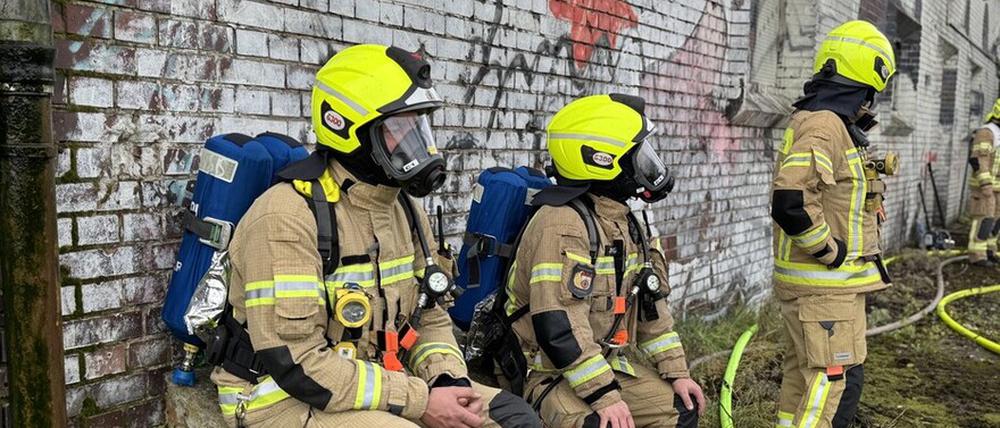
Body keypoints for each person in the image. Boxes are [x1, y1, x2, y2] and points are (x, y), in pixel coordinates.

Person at [210, 44, 539, 428]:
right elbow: (298, 362)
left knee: (514, 418)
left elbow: (429, 315)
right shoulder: (286, 216)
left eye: (420, 127)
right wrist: (420, 402)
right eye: (400, 129)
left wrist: (448, 380)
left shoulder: (403, 208)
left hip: (375, 377)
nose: (416, 145)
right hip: (280, 396)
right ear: (346, 127)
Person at [505, 93, 704, 428]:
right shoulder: (561, 223)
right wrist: (605, 397)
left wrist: (677, 372)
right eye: (636, 155)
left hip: (601, 368)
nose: (646, 165)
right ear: (600, 159)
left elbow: (652, 312)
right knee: (604, 423)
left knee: (680, 408)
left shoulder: (626, 222)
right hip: (546, 374)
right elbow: (561, 326)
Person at [770, 21, 896, 428]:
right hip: (825, 287)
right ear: (867, 79)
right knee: (831, 385)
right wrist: (829, 249)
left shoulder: (829, 124)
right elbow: (791, 200)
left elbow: (827, 193)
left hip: (830, 289)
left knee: (803, 382)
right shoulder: (824, 125)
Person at [968, 98, 1000, 266]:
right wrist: (985, 184)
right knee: (984, 218)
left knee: (996, 220)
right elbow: (980, 159)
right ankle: (977, 254)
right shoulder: (987, 133)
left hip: (998, 187)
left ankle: (989, 250)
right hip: (984, 187)